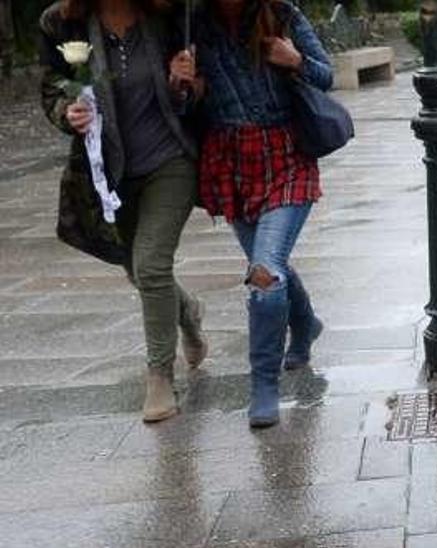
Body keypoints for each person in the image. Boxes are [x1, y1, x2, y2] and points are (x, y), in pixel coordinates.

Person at [38, 0, 207, 423]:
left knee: (150, 266)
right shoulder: (63, 24)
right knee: (138, 270)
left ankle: (159, 376)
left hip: (170, 161)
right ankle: (187, 314)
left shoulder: (172, 16)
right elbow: (52, 87)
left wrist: (185, 83)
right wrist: (66, 111)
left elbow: (202, 89)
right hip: (110, 173)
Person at [195, 0, 330, 428]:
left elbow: (325, 77)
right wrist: (184, 87)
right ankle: (305, 323)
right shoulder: (193, 24)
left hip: (286, 157)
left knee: (266, 273)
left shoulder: (282, 14)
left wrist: (296, 61)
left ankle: (264, 385)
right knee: (270, 264)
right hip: (230, 164)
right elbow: (182, 108)